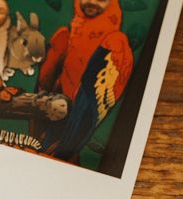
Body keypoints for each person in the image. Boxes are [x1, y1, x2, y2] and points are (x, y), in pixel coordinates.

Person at [34, 0, 134, 163]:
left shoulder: (116, 43)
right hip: (53, 119)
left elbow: (89, 110)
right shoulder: (65, 36)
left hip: (77, 125)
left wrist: (66, 147)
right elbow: (45, 84)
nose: (92, 2)